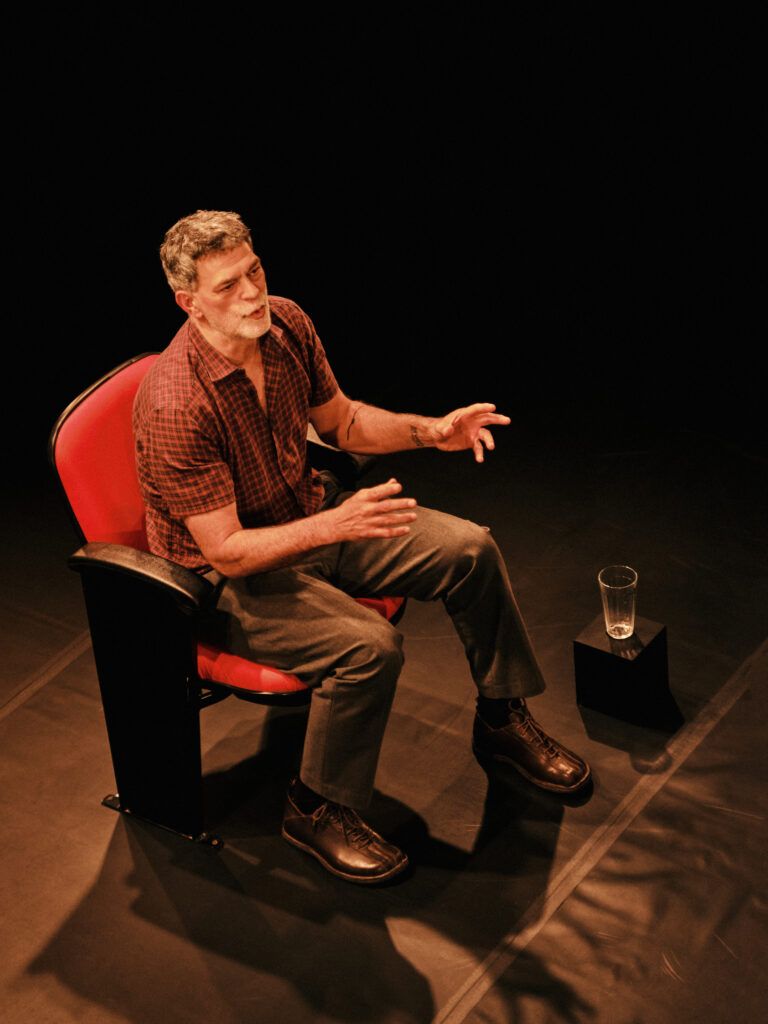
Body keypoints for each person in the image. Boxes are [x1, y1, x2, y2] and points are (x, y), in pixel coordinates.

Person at [134, 209, 591, 885]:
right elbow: (226, 551)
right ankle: (314, 807)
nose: (253, 293)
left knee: (470, 549)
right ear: (189, 303)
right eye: (228, 285)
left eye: (254, 270)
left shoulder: (286, 324)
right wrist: (334, 527)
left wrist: (432, 432)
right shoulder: (176, 403)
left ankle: (501, 717)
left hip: (309, 514)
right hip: (224, 582)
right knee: (369, 647)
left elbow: (342, 422)